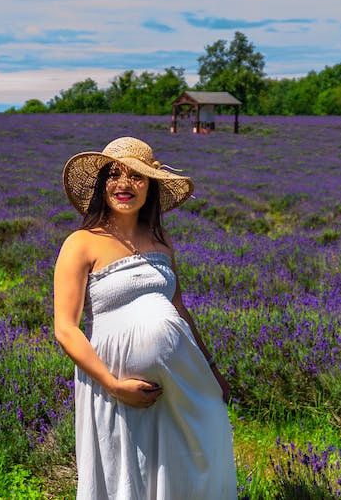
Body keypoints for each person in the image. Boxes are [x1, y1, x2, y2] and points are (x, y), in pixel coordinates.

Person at [54, 136, 238, 499]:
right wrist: (111, 383)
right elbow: (65, 328)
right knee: (125, 467)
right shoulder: (81, 242)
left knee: (192, 454)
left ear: (150, 186)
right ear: (101, 185)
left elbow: (179, 308)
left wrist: (211, 370)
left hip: (183, 378)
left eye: (136, 177)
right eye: (114, 175)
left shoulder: (160, 239)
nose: (124, 185)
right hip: (116, 380)